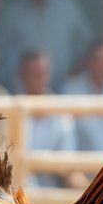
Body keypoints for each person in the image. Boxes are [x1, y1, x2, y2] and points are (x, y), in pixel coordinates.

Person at [0, 0, 93, 90]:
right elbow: (1, 52)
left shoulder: (69, 8)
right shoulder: (13, 13)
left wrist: (74, 74)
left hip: (63, 87)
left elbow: (88, 46)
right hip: (22, 90)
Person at [18, 49, 77, 188]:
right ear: (22, 76)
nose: (38, 78)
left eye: (41, 73)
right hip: (14, 198)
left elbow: (67, 168)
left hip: (50, 197)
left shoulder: (61, 115)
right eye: (32, 73)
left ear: (48, 74)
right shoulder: (9, 111)